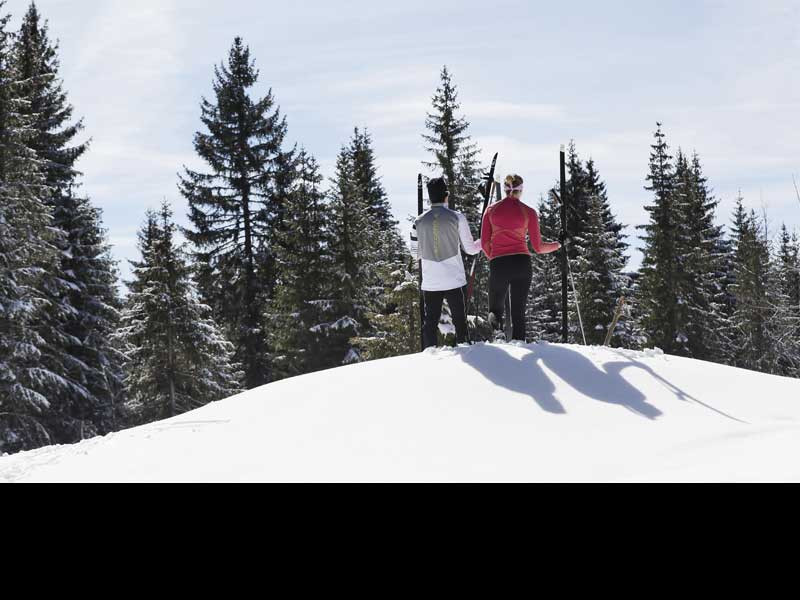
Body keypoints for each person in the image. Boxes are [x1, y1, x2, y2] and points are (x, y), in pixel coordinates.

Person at [480, 174, 561, 341]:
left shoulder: (491, 211)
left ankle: (498, 335)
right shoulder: (529, 212)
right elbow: (538, 247)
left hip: (499, 262)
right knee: (518, 310)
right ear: (520, 190)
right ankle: (519, 343)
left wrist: (494, 258)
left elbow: (484, 243)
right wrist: (558, 244)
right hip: (522, 263)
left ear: (504, 189)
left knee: (495, 307)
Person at [412, 177, 481, 349]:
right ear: (446, 196)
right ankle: (465, 350)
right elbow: (471, 249)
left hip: (430, 281)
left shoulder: (418, 222)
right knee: (460, 321)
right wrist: (483, 241)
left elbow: (415, 254)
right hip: (454, 279)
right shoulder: (457, 217)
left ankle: (429, 355)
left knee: (430, 323)